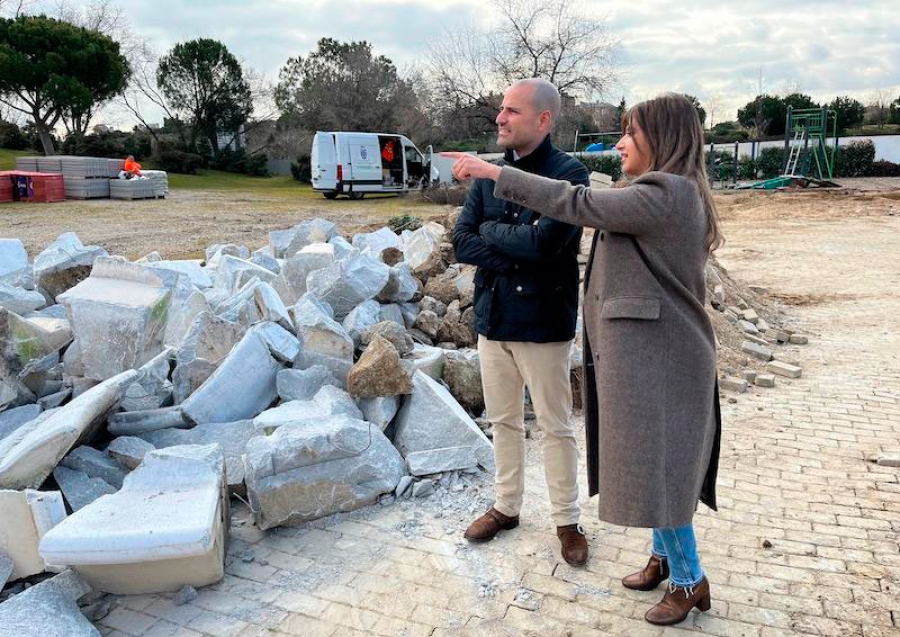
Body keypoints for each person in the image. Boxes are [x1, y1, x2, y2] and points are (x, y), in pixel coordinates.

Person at [443, 92, 724, 626]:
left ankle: (691, 580)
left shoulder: (665, 193)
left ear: (659, 140)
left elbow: (575, 205)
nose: (618, 145)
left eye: (629, 134)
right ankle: (664, 559)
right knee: (652, 465)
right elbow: (470, 238)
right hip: (653, 355)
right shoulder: (662, 193)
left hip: (663, 359)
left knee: (661, 472)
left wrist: (493, 174)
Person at [452, 78, 591, 567]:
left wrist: (502, 240)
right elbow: (462, 242)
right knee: (503, 422)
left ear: (543, 120)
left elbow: (547, 245)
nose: (500, 119)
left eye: (511, 111)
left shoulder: (569, 175)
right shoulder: (490, 174)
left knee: (556, 426)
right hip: (494, 319)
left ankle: (567, 521)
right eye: (501, 110)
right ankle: (506, 508)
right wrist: (513, 242)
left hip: (543, 321)